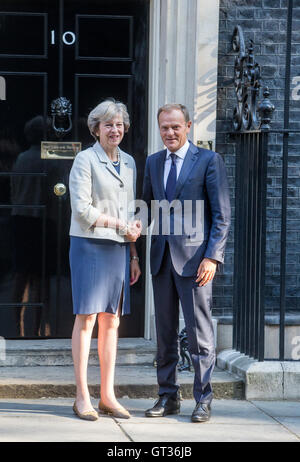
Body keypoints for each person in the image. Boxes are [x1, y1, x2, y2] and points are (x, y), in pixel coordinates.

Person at [142, 103, 231, 422]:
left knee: (199, 335)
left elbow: (222, 215)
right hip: (161, 260)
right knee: (165, 335)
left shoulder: (208, 160)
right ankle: (167, 397)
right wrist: (129, 246)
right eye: (164, 127)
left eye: (175, 127)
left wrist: (212, 256)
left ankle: (203, 399)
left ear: (189, 126)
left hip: (196, 262)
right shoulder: (152, 162)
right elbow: (146, 210)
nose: (169, 132)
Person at [69, 99, 141, 421]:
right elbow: (83, 211)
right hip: (89, 245)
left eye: (119, 124)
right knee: (87, 319)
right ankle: (82, 396)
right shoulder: (85, 160)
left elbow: (131, 210)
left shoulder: (129, 162)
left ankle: (108, 395)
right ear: (96, 128)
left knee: (112, 321)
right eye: (108, 124)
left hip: (119, 249)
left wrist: (134, 251)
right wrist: (120, 225)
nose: (115, 130)